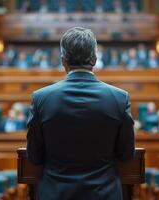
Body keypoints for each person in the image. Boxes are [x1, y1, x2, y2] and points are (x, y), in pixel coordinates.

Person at [27, 27, 135, 200]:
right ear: (94, 58)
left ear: (63, 61)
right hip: (104, 194)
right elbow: (127, 154)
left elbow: (34, 156)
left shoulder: (41, 98)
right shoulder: (119, 98)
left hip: (55, 194)